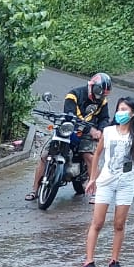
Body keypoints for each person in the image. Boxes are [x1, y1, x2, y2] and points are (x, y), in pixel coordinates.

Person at [81, 95, 134, 267]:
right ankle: (88, 261)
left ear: (133, 113)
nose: (121, 113)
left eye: (125, 110)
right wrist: (93, 178)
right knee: (98, 222)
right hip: (106, 181)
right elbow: (97, 154)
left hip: (126, 183)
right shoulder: (108, 131)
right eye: (119, 109)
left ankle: (114, 261)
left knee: (119, 224)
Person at [27, 72, 111, 202]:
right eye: (99, 91)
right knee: (44, 156)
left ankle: (97, 192)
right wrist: (90, 129)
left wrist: (100, 130)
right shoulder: (74, 94)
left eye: (103, 94)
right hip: (69, 128)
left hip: (87, 134)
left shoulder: (102, 102)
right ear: (92, 87)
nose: (99, 96)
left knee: (89, 157)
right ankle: (34, 190)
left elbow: (105, 118)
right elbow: (70, 113)